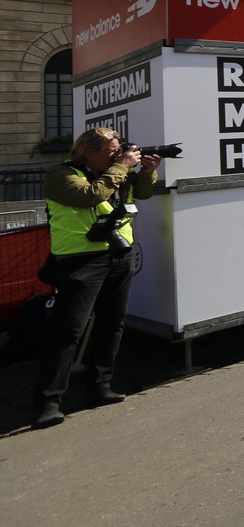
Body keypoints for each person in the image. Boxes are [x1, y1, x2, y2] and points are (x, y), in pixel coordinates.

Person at [32, 128, 161, 429]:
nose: (118, 155)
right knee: (69, 331)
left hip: (118, 256)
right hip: (80, 261)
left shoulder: (114, 173)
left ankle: (100, 387)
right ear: (88, 151)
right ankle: (47, 404)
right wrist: (123, 165)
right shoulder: (61, 174)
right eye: (112, 151)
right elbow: (89, 196)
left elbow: (142, 193)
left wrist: (147, 172)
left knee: (112, 324)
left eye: (119, 151)